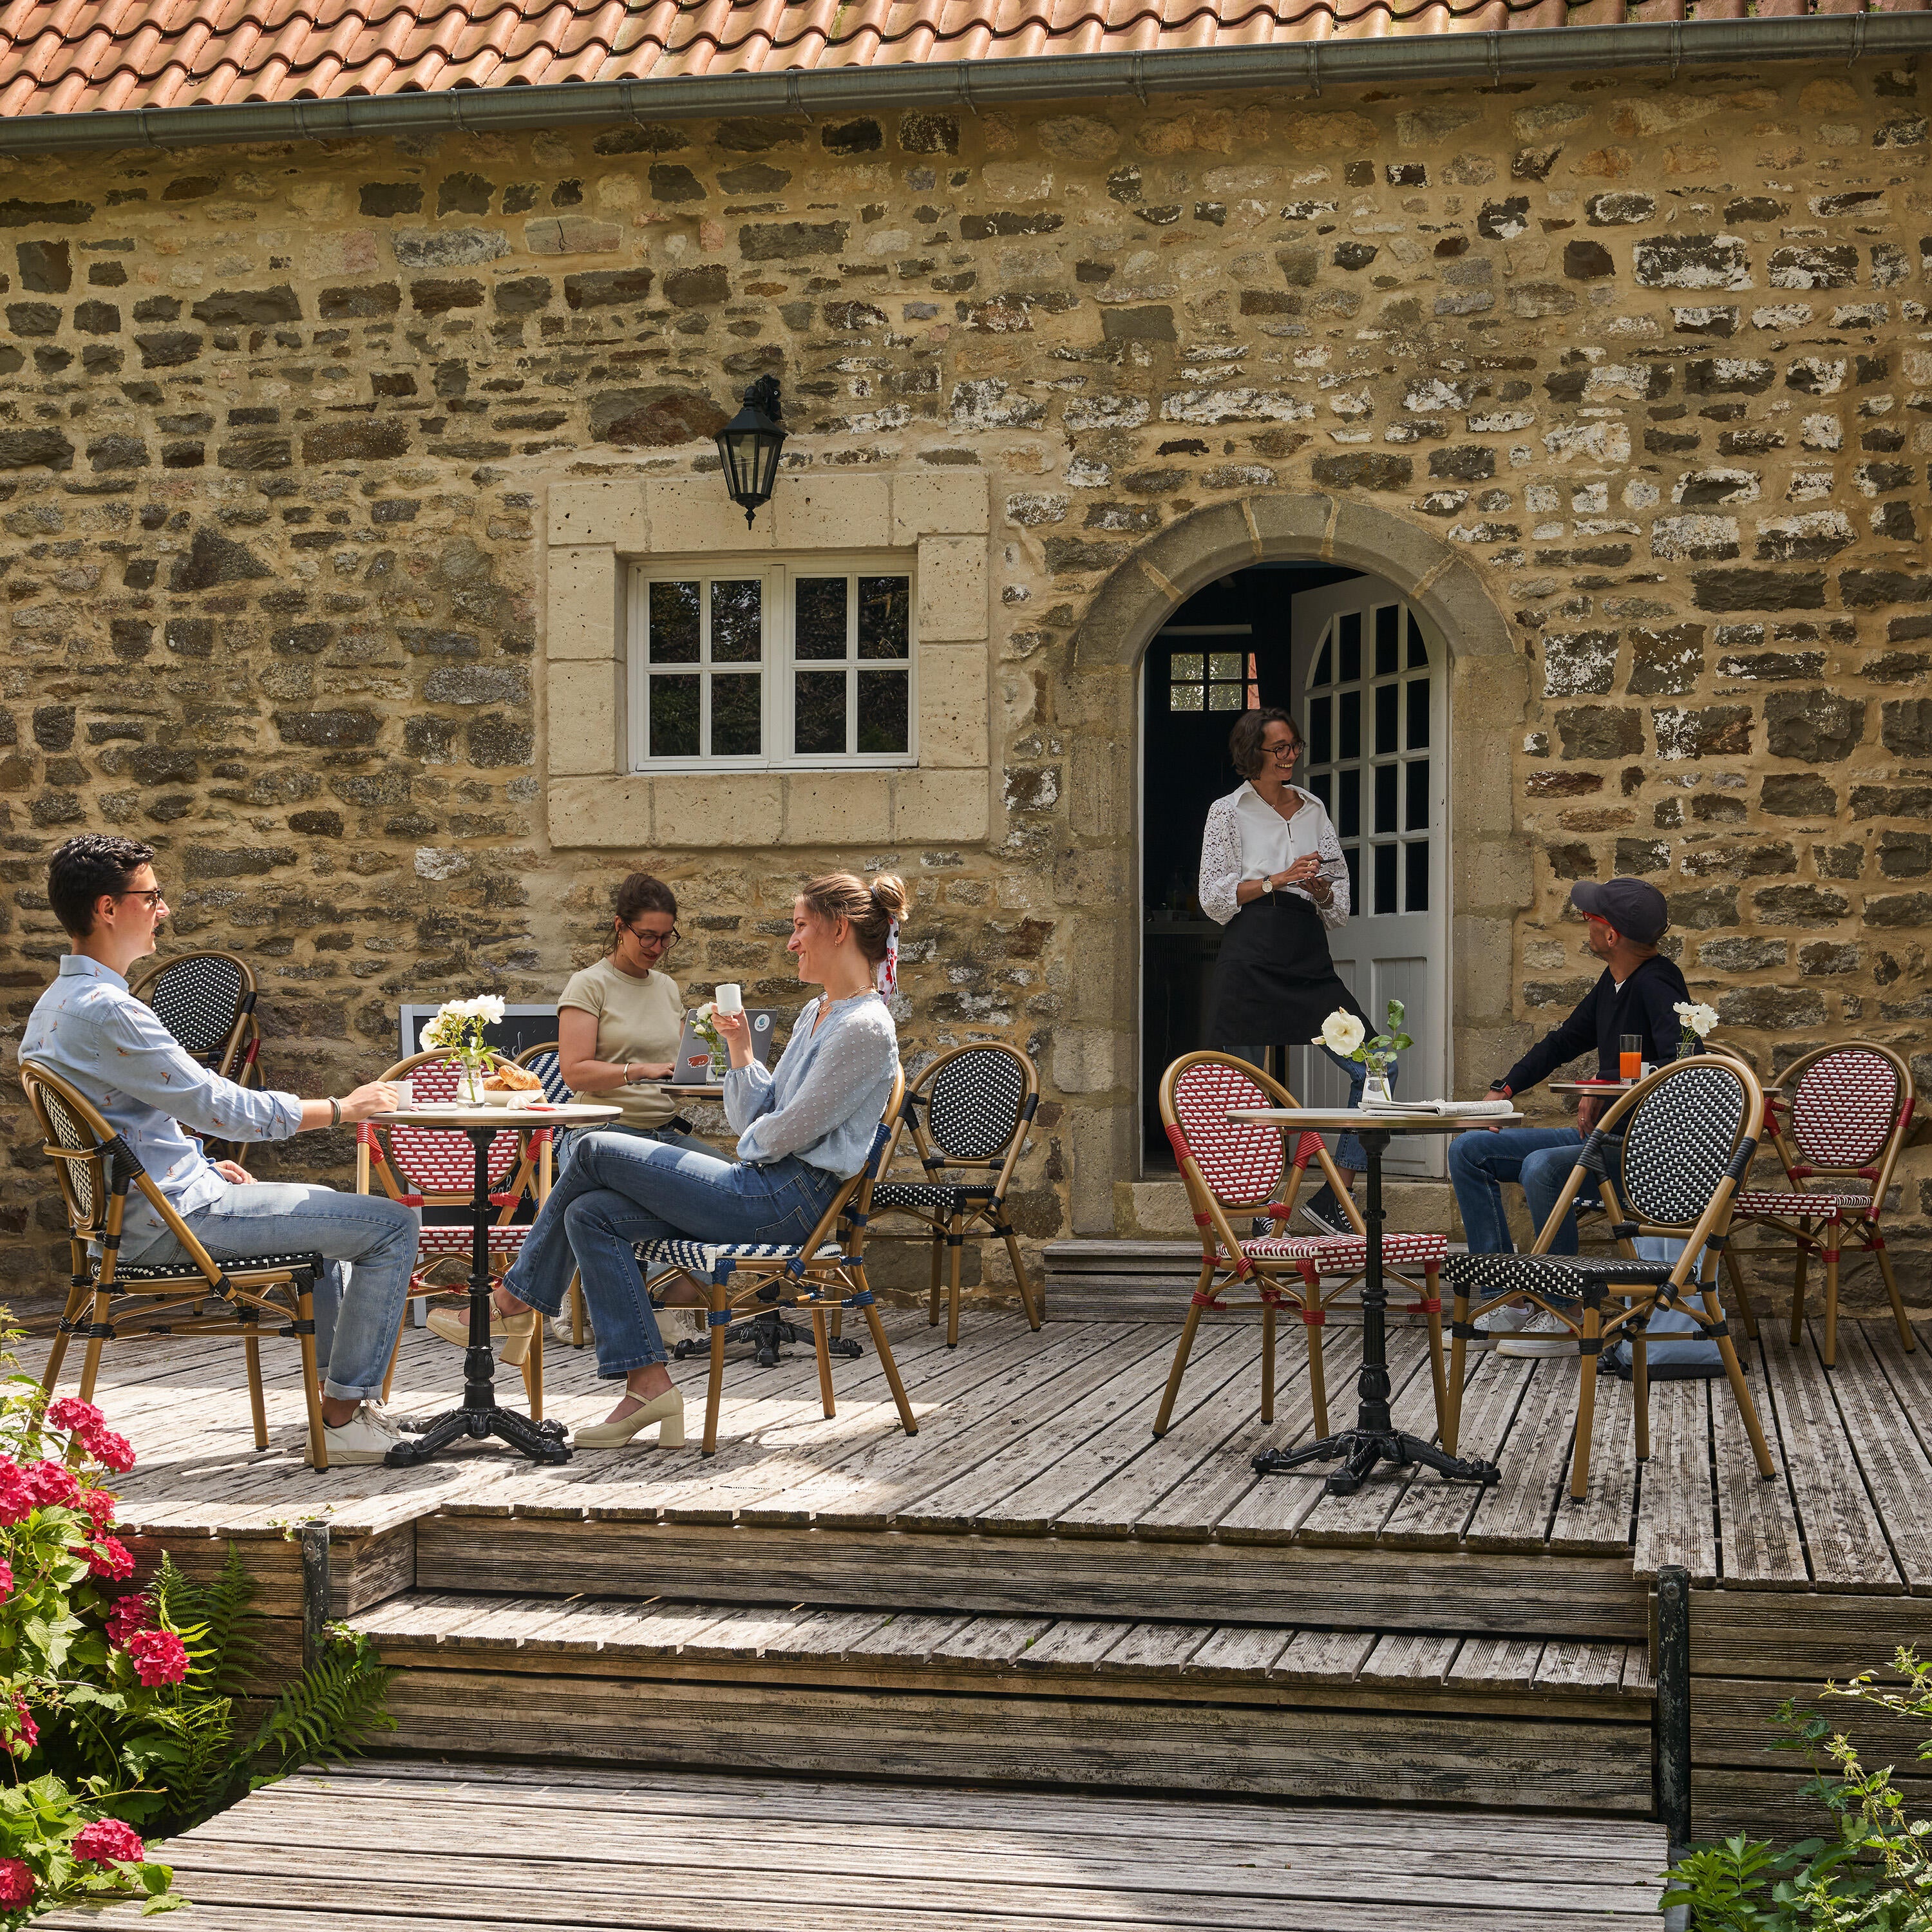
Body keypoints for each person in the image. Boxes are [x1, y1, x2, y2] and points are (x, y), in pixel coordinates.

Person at [440, 871, 905, 1448]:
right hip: (762, 1185)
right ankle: (647, 1384)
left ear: (837, 931)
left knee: (589, 1146)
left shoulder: (864, 1027)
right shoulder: (819, 1013)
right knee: (591, 1214)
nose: (792, 941)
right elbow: (756, 1116)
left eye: (800, 926)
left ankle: (513, 1302)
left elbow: (776, 1133)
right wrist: (740, 1050)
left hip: (787, 1203)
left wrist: (757, 1134)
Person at [21, 835, 415, 1464]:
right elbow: (219, 1107)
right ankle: (342, 1417)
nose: (165, 909)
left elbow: (122, 1125)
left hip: (138, 1217)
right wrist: (343, 1109)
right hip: (174, 1223)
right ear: (107, 909)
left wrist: (200, 1164)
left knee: (327, 1209)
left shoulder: (53, 1007)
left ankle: (336, 1410)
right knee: (391, 1224)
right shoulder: (108, 1012)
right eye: (151, 896)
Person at [1448, 876, 1689, 1358]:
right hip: (1600, 1139)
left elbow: (1685, 1064)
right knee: (1469, 1149)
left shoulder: (1659, 983)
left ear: (1612, 936)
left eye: (1592, 918)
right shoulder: (1613, 983)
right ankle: (1511, 1300)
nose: (1585, 922)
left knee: (1545, 1168)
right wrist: (1504, 1090)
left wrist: (1605, 1088)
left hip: (1636, 1152)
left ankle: (1565, 1312)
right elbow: (1563, 1042)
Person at [1198, 707, 1384, 1235]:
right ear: (1252, 753)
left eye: (1294, 745)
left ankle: (1335, 1195)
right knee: (1245, 1092)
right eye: (1279, 747)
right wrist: (1277, 879)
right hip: (1250, 950)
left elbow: (1338, 900)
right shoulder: (1227, 811)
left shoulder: (1313, 809)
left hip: (1306, 952)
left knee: (1376, 1068)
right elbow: (1213, 898)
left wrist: (1319, 887)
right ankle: (1258, 1212)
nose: (1290, 755)